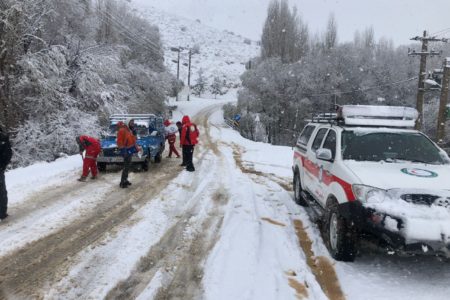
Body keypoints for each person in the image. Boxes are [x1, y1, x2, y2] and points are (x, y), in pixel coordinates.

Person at [117, 119, 138, 188]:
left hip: (130, 150)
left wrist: (135, 134)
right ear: (128, 122)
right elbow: (119, 141)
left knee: (128, 166)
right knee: (126, 166)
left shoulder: (129, 130)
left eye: (133, 122)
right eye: (131, 122)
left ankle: (125, 180)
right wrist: (123, 150)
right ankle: (122, 182)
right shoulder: (122, 130)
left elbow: (133, 140)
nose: (132, 124)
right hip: (126, 150)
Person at [0, 128, 12, 221]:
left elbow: (8, 153)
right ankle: (2, 213)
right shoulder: (3, 136)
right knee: (1, 192)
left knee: (1, 192)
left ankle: (2, 213)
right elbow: (8, 153)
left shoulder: (3, 137)